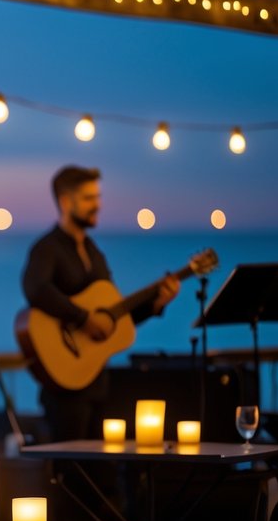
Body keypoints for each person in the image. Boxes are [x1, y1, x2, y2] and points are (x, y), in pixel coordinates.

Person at [22, 165, 179, 441]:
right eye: (89, 198)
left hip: (97, 383)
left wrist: (156, 304)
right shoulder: (47, 248)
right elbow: (35, 288)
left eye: (98, 197)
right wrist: (82, 318)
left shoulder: (95, 253)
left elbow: (110, 319)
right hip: (63, 389)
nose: (98, 205)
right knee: (70, 475)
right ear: (65, 201)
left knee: (104, 475)